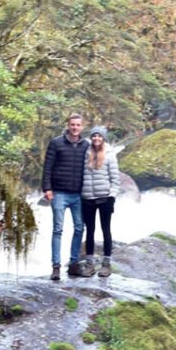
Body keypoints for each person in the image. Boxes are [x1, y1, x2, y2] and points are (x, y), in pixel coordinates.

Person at [42, 113, 89, 281]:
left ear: (82, 127)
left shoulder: (86, 145)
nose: (75, 127)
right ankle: (56, 266)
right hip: (59, 193)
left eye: (78, 125)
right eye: (72, 124)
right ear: (68, 126)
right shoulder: (56, 143)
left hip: (78, 194)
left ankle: (74, 264)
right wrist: (47, 188)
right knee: (58, 229)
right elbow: (48, 166)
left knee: (79, 228)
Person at [81, 125, 120, 277]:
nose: (97, 138)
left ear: (103, 138)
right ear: (91, 138)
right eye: (94, 136)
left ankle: (106, 264)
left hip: (104, 198)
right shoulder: (85, 153)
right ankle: (89, 264)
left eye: (100, 136)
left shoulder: (110, 155)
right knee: (89, 231)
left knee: (106, 230)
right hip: (87, 198)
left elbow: (115, 179)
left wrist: (112, 197)